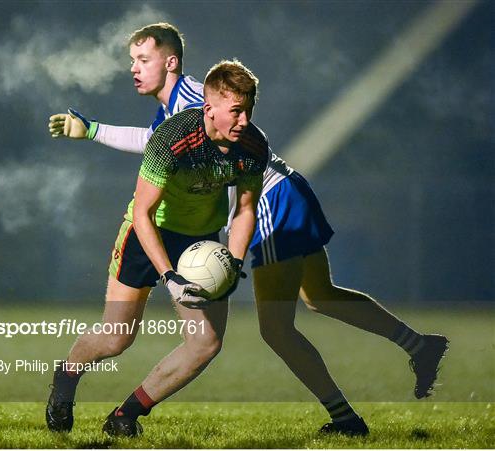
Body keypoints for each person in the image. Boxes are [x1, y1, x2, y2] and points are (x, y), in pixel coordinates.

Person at [49, 23, 449, 437]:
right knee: (317, 299)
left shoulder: (199, 100)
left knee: (269, 328)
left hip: (270, 202)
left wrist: (231, 261)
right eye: (132, 60)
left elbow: (237, 194)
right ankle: (412, 351)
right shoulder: (178, 117)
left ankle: (348, 418)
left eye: (142, 59)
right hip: (250, 204)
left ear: (171, 63)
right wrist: (92, 130)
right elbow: (160, 146)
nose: (133, 68)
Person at [46, 58, 268, 437]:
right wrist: (169, 276)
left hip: (199, 241)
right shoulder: (172, 138)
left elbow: (245, 209)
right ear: (209, 107)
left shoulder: (252, 145)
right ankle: (65, 378)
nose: (244, 120)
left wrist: (232, 261)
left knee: (205, 344)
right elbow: (145, 213)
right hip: (146, 233)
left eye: (248, 110)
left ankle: (125, 416)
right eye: (235, 111)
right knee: (117, 338)